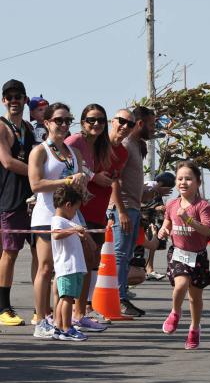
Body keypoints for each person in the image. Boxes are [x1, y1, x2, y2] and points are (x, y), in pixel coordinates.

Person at [28, 102, 88, 338]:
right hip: (45, 216)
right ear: (47, 122)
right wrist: (67, 181)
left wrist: (82, 185)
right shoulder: (40, 151)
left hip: (70, 216)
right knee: (45, 268)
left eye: (67, 120)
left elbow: (78, 185)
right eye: (58, 120)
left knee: (63, 270)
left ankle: (58, 320)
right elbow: (36, 184)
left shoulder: (74, 153)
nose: (63, 125)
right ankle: (40, 319)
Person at [108, 106, 171, 317]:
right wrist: (121, 210)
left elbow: (135, 188)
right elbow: (114, 180)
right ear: (141, 124)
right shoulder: (125, 144)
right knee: (119, 255)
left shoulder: (136, 146)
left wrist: (153, 192)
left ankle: (122, 297)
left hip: (134, 208)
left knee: (125, 257)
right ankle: (117, 300)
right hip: (123, 210)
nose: (154, 129)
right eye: (152, 125)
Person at [66, 103, 122, 328]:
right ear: (82, 122)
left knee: (91, 262)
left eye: (100, 120)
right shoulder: (75, 141)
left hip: (98, 212)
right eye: (91, 119)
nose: (96, 124)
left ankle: (83, 310)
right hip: (78, 212)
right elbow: (66, 163)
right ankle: (70, 312)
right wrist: (93, 177)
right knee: (77, 263)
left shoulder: (102, 145)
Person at [158, 161, 210, 350]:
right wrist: (163, 230)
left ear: (198, 182)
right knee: (181, 284)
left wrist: (189, 220)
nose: (183, 182)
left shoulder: (203, 206)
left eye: (188, 179)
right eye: (180, 178)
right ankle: (175, 312)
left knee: (195, 298)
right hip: (178, 253)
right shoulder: (172, 204)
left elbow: (208, 232)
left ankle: (194, 328)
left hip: (197, 257)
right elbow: (167, 221)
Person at [0, 79, 35, 326]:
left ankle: (40, 308)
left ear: (25, 99)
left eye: (18, 96)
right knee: (9, 253)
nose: (14, 101)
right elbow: (8, 162)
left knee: (39, 252)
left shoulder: (28, 128)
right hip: (9, 199)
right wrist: (37, 175)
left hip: (32, 201)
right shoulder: (2, 127)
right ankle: (3, 307)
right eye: (9, 97)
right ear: (4, 100)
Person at [51, 185, 88, 341]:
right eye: (75, 209)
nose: (75, 213)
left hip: (74, 266)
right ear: (68, 205)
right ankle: (67, 328)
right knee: (67, 298)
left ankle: (59, 326)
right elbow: (56, 235)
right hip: (67, 266)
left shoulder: (67, 220)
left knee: (66, 297)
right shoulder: (58, 220)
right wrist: (74, 230)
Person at [144, 171, 176, 281]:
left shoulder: (157, 191)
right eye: (168, 188)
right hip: (143, 221)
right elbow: (141, 203)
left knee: (152, 245)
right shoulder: (148, 187)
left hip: (150, 221)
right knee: (143, 246)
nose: (168, 192)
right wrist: (156, 208)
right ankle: (139, 271)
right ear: (162, 183)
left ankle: (149, 270)